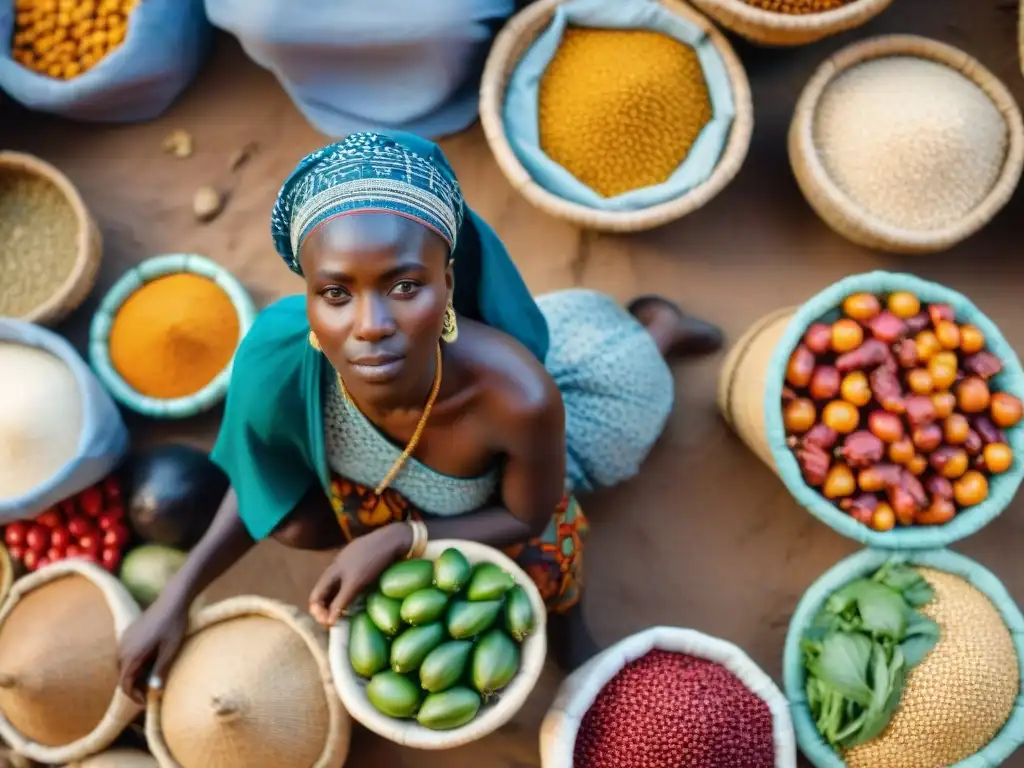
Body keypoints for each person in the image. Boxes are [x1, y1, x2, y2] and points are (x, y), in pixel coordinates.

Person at [117, 131, 723, 704]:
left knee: (550, 552)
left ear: (448, 283)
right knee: (294, 522)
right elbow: (261, 479)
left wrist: (403, 536)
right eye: (336, 294)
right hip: (385, 489)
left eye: (404, 287)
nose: (371, 325)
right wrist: (176, 598)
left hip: (509, 493)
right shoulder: (281, 360)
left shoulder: (516, 396)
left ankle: (660, 329)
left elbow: (526, 513)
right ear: (308, 298)